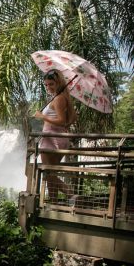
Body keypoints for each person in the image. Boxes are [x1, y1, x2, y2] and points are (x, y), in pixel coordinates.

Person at [34, 69, 77, 202]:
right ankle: (53, 203)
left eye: (51, 84)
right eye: (46, 85)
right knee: (51, 173)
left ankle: (71, 195)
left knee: (48, 172)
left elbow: (61, 120)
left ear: (58, 83)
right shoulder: (63, 98)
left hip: (50, 139)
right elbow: (72, 119)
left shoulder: (58, 99)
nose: (48, 87)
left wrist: (42, 116)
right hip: (61, 138)